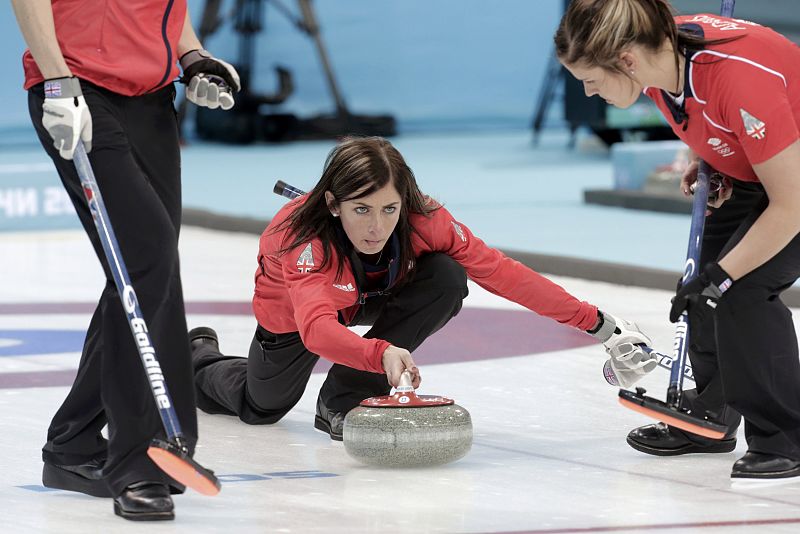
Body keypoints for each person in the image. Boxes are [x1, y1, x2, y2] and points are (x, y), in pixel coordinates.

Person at [189, 136, 655, 442]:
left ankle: (342, 398)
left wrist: (600, 326)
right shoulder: (301, 241)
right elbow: (316, 331)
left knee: (449, 275)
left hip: (374, 294)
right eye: (361, 210)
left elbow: (505, 275)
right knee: (261, 407)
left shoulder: (425, 219)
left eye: (389, 209)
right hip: (295, 316)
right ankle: (195, 355)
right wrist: (381, 354)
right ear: (332, 204)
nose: (377, 227)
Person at [12, 0, 240, 521]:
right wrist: (56, 80)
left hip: (152, 99)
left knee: (146, 271)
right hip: (78, 90)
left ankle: (71, 443)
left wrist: (193, 55)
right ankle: (139, 461)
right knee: (146, 258)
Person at [557, 0, 800, 479]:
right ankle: (711, 413)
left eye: (590, 79)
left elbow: (791, 203)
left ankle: (785, 435)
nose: (587, 92)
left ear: (625, 60)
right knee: (698, 292)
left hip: (793, 185)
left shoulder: (737, 79)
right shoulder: (659, 59)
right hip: (761, 166)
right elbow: (704, 106)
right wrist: (712, 151)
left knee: (738, 290)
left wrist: (723, 278)